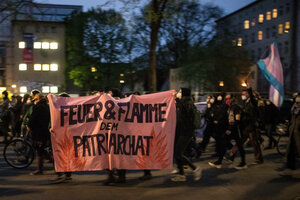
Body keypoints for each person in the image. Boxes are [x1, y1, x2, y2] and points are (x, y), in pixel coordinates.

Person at [208, 94, 247, 169]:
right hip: (231, 128)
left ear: (233, 98)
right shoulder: (229, 107)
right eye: (226, 98)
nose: (227, 100)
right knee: (224, 143)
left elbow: (237, 120)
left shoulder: (236, 107)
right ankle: (220, 161)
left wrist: (230, 129)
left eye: (229, 98)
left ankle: (243, 162)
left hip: (236, 129)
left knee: (239, 146)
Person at [171, 88, 201, 182]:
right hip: (183, 131)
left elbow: (184, 114)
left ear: (183, 93)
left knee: (178, 153)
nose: (178, 93)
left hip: (186, 132)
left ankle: (195, 168)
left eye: (180, 92)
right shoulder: (186, 102)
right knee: (178, 153)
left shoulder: (186, 103)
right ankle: (181, 174)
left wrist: (175, 98)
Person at [50, 92, 72, 182]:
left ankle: (60, 174)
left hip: (61, 136)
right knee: (67, 155)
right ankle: (67, 174)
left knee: (60, 155)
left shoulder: (57, 109)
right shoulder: (70, 109)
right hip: (67, 136)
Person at [28, 91, 51, 175]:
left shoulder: (38, 107)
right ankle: (54, 163)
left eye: (35, 99)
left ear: (38, 99)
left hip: (38, 132)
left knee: (39, 150)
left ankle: (39, 169)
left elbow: (33, 119)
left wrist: (29, 125)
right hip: (44, 130)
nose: (34, 100)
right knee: (41, 149)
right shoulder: (46, 106)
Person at [241, 87, 263, 164]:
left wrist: (249, 89)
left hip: (252, 125)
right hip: (246, 124)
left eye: (245, 94)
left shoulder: (253, 101)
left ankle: (259, 158)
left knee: (254, 142)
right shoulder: (245, 102)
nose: (243, 95)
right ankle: (232, 155)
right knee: (241, 140)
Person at [280, 93, 300, 175]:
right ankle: (290, 168)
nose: (297, 98)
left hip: (298, 132)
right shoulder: (294, 106)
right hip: (293, 131)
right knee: (291, 151)